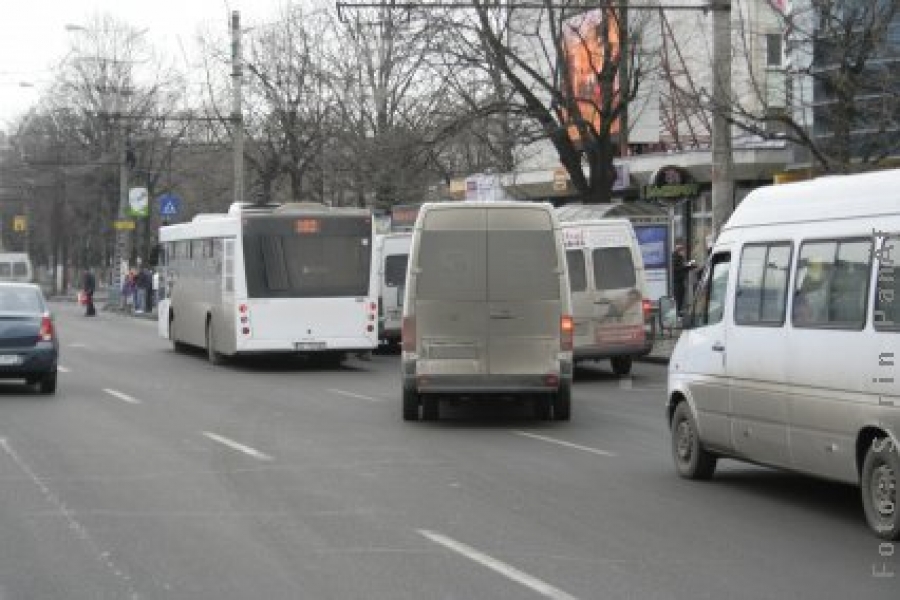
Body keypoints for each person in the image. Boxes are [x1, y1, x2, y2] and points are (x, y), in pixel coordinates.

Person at [672, 240, 697, 316]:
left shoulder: (679, 257)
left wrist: (690, 266)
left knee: (681, 296)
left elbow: (683, 267)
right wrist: (688, 266)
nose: (683, 252)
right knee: (678, 297)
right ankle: (678, 312)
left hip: (680, 281)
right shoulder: (675, 257)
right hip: (677, 282)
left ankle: (679, 311)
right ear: (679, 250)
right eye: (682, 250)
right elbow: (678, 268)